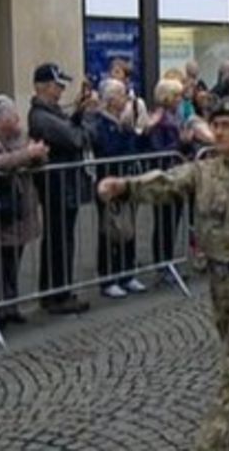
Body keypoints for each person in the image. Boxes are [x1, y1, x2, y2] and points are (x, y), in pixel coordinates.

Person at [97, 96, 229, 446]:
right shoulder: (204, 170)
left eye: (228, 125)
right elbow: (167, 182)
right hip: (219, 284)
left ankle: (211, 443)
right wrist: (126, 187)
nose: (219, 131)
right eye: (215, 125)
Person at [0, 95, 47, 326]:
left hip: (18, 211)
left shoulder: (19, 137)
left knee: (13, 262)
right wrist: (27, 155)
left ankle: (11, 306)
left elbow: (34, 160)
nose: (17, 119)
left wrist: (38, 155)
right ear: (1, 120)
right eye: (12, 116)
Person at [28, 62, 93, 315]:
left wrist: (77, 117)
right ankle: (56, 293)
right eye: (57, 85)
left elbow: (80, 134)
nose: (61, 90)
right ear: (42, 86)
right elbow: (76, 138)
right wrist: (80, 119)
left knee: (63, 239)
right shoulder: (41, 116)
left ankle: (58, 290)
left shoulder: (54, 112)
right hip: (56, 184)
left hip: (65, 182)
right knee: (58, 240)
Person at [88, 79, 147, 298]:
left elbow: (136, 147)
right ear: (112, 100)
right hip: (108, 182)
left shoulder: (123, 122)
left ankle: (127, 273)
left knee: (128, 227)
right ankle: (108, 277)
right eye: (123, 95)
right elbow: (109, 151)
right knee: (110, 230)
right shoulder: (100, 123)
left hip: (126, 181)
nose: (127, 100)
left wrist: (133, 130)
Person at [146, 78, 187, 269]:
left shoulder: (175, 116)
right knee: (164, 221)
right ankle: (162, 262)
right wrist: (181, 142)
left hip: (176, 172)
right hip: (163, 174)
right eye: (177, 95)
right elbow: (158, 149)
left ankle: (168, 261)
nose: (180, 99)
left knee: (173, 219)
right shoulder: (159, 118)